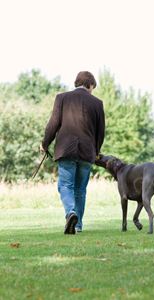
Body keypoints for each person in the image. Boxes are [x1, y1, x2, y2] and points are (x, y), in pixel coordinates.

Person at [40, 71, 105, 234]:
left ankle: (70, 212)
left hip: (66, 149)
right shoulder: (97, 103)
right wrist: (96, 152)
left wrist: (45, 144)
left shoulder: (62, 98)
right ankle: (77, 225)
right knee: (80, 190)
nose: (92, 91)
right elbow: (100, 132)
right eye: (92, 88)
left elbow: (52, 124)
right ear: (89, 85)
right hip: (87, 152)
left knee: (65, 186)